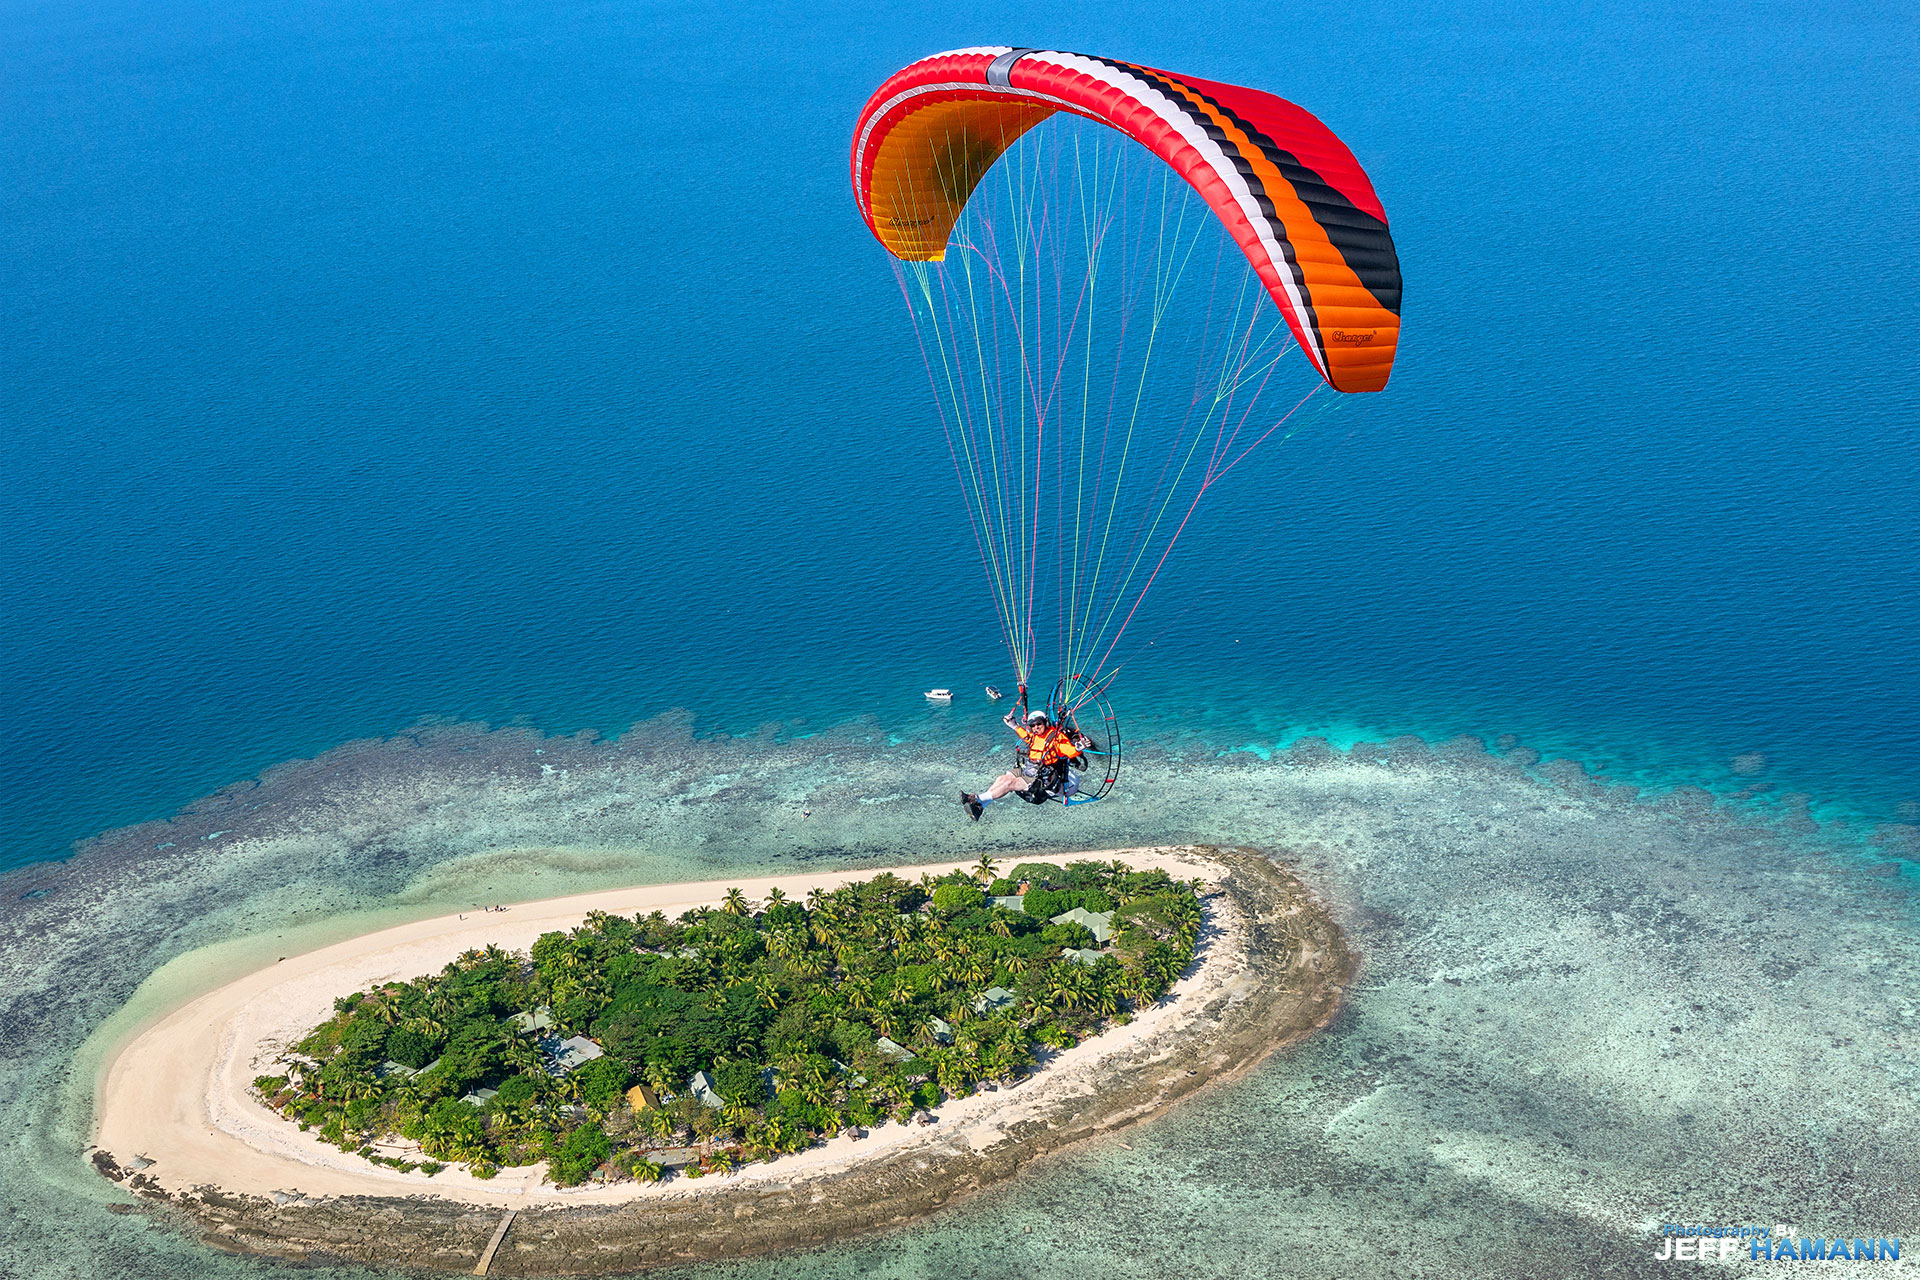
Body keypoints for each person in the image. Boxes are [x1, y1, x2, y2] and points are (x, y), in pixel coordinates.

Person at [961, 706, 1088, 820]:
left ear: (1045, 722)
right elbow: (1025, 736)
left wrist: (1078, 747)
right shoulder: (1034, 736)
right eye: (1032, 725)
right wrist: (1014, 725)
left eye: (1039, 724)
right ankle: (980, 806)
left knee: (1010, 783)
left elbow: (1068, 751)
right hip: (1029, 768)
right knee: (1002, 779)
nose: (1036, 727)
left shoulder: (1056, 737)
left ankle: (976, 798)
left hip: (1042, 777)